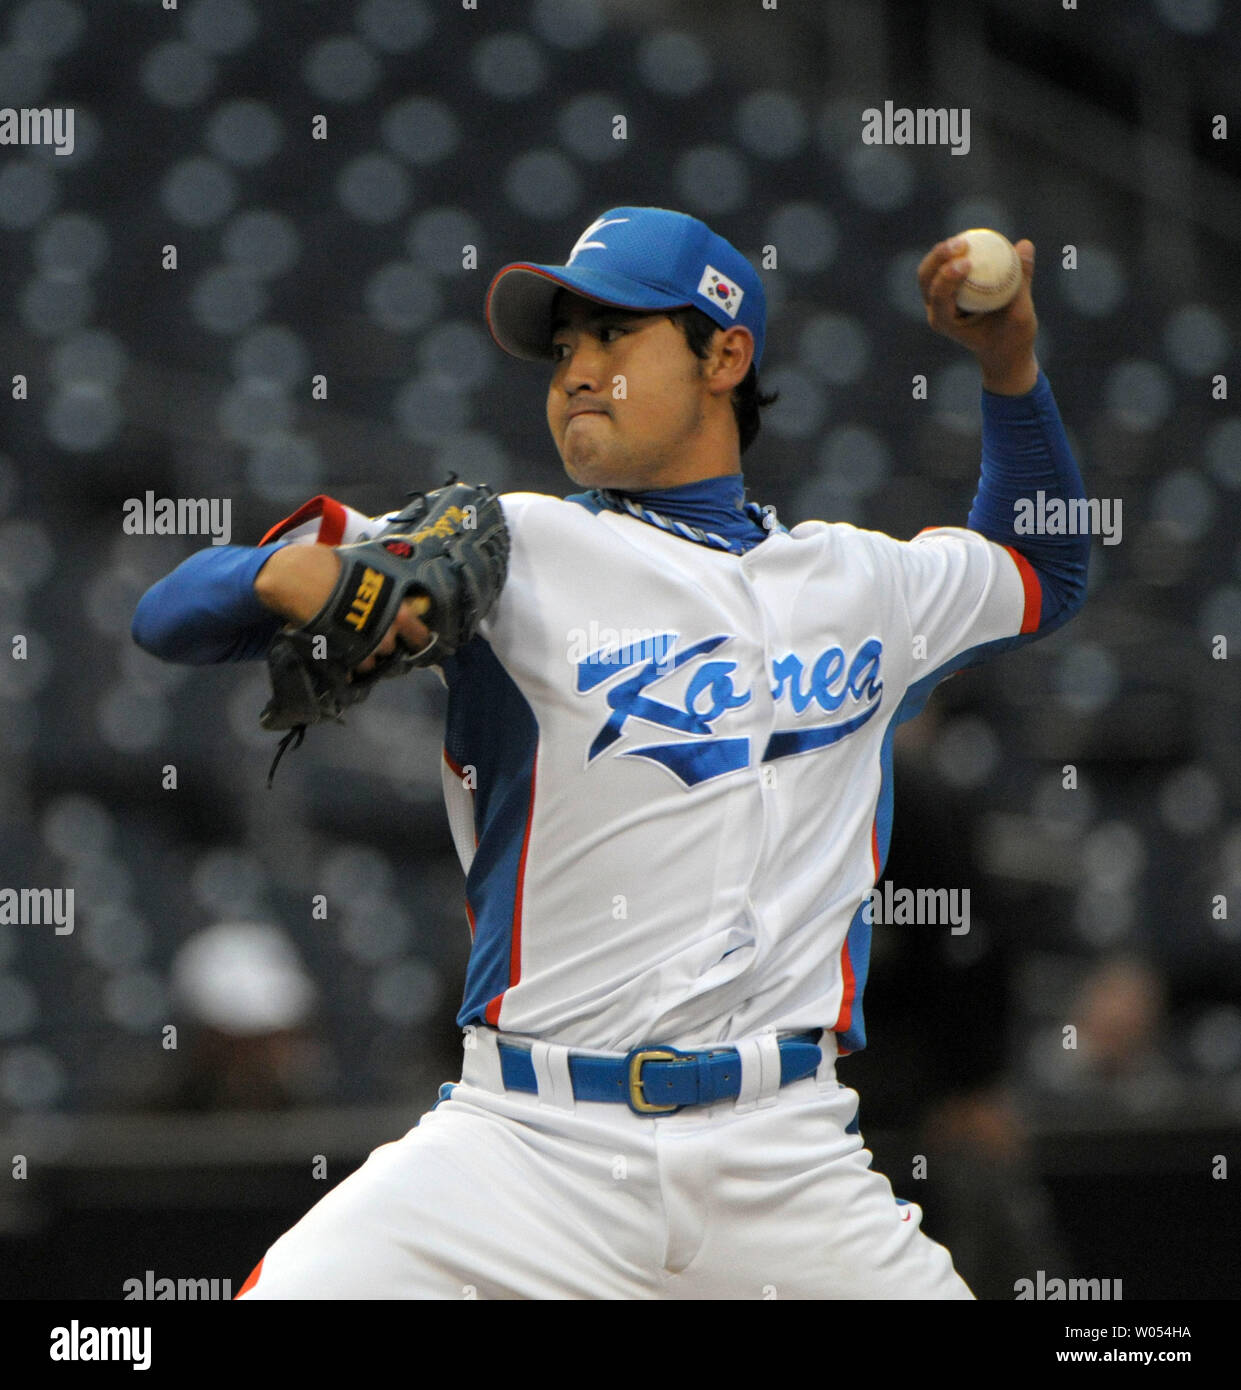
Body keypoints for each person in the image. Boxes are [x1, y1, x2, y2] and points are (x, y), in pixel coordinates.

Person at [132, 205, 1088, 1299]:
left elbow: (1039, 567)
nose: (576, 369)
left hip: (785, 1158)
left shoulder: (862, 586)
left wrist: (1008, 363)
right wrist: (267, 578)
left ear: (724, 353)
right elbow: (165, 617)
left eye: (612, 335)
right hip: (529, 1147)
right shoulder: (515, 547)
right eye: (563, 344)